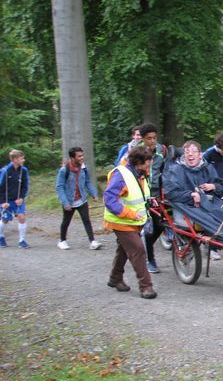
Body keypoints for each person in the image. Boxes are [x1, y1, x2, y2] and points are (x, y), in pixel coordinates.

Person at [162, 140, 223, 247]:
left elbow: (221, 187)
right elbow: (170, 192)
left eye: (194, 151)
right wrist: (191, 195)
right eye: (187, 151)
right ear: (184, 154)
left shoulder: (207, 168)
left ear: (199, 154)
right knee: (211, 221)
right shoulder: (176, 170)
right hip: (188, 206)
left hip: (210, 203)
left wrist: (213, 186)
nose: (190, 154)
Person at [103, 146, 157, 299]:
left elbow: (139, 196)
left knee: (124, 250)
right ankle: (146, 287)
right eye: (147, 164)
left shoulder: (140, 174)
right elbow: (109, 199)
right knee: (138, 249)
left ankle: (115, 278)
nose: (149, 166)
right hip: (121, 221)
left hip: (133, 222)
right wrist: (129, 214)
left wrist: (149, 201)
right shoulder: (121, 175)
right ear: (138, 163)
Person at [55, 147, 102, 250]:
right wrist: (65, 202)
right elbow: (59, 186)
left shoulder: (84, 168)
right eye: (79, 156)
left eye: (82, 155)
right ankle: (62, 241)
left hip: (82, 199)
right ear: (72, 158)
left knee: (86, 220)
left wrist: (94, 193)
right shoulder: (64, 170)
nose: (82, 158)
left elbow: (88, 181)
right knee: (66, 221)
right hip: (69, 200)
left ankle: (92, 241)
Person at [136, 123, 167, 273]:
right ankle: (150, 260)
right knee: (149, 228)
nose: (153, 141)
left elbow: (165, 170)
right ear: (143, 139)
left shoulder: (162, 151)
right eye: (149, 138)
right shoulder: (137, 152)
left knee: (160, 225)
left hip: (157, 194)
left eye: (155, 138)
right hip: (141, 193)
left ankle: (143, 246)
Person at [0, 149, 30, 248]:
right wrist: (3, 202)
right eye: (21, 158)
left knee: (22, 217)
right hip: (6, 200)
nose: (24, 160)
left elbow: (25, 186)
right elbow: (1, 187)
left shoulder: (24, 170)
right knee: (5, 220)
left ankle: (22, 240)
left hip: (18, 200)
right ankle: (1, 237)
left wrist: (21, 198)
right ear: (14, 159)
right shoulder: (5, 171)